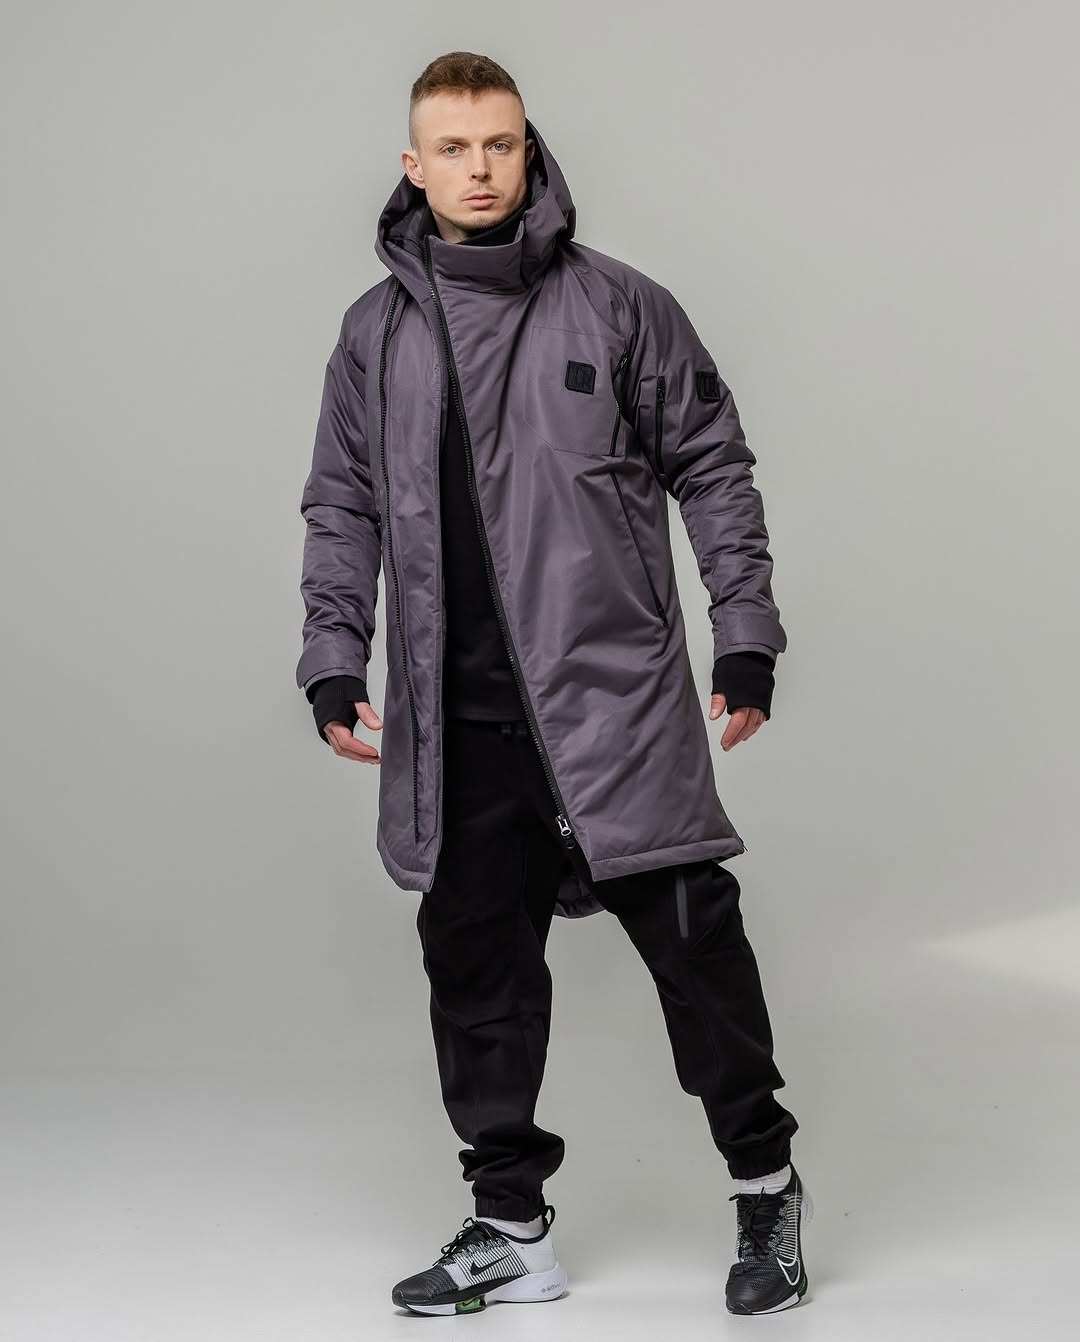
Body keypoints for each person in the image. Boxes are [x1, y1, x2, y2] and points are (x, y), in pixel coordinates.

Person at [295, 50, 812, 1317]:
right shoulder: (374, 336)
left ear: (528, 151)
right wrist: (332, 658)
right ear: (413, 165)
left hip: (612, 708)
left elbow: (715, 466)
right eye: (454, 148)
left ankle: (765, 1185)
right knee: (475, 979)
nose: (479, 169)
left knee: (699, 954)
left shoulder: (620, 306)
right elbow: (342, 504)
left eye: (500, 144)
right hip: (456, 725)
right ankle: (510, 1224)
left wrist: (745, 634)